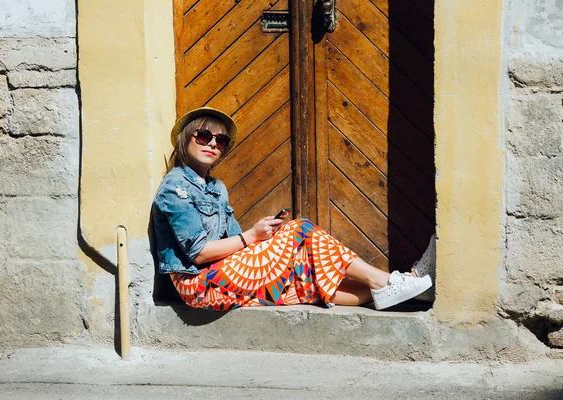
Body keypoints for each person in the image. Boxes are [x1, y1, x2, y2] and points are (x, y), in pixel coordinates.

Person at [153, 107, 435, 311]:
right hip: (199, 284)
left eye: (220, 140)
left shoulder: (216, 188)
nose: (213, 144)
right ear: (186, 138)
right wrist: (253, 236)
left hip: (223, 274)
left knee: (304, 279)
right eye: (203, 136)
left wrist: (265, 236)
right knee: (300, 229)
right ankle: (390, 281)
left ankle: (406, 293)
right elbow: (199, 253)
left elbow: (237, 244)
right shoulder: (175, 186)